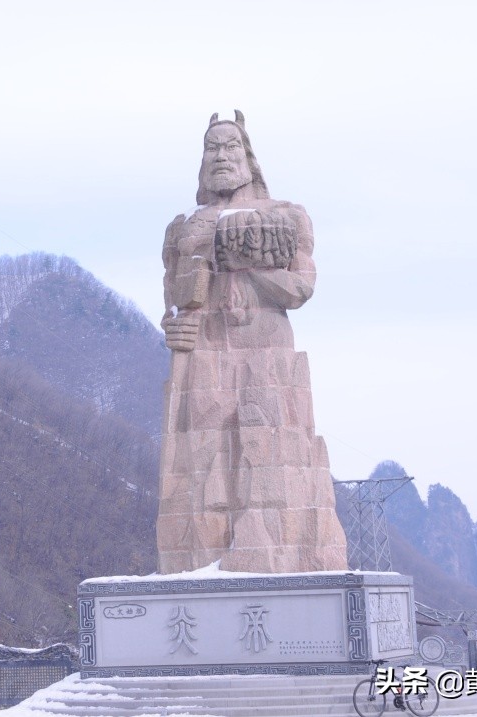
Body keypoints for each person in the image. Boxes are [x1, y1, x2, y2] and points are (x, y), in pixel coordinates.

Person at [157, 110, 348, 573]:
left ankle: (280, 557)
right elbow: (174, 300)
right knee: (202, 470)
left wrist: (246, 260)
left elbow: (300, 288)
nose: (221, 155)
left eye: (230, 146)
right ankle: (201, 564)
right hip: (203, 355)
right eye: (212, 148)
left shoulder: (286, 216)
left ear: (249, 157)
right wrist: (173, 326)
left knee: (270, 460)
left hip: (267, 353)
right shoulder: (183, 228)